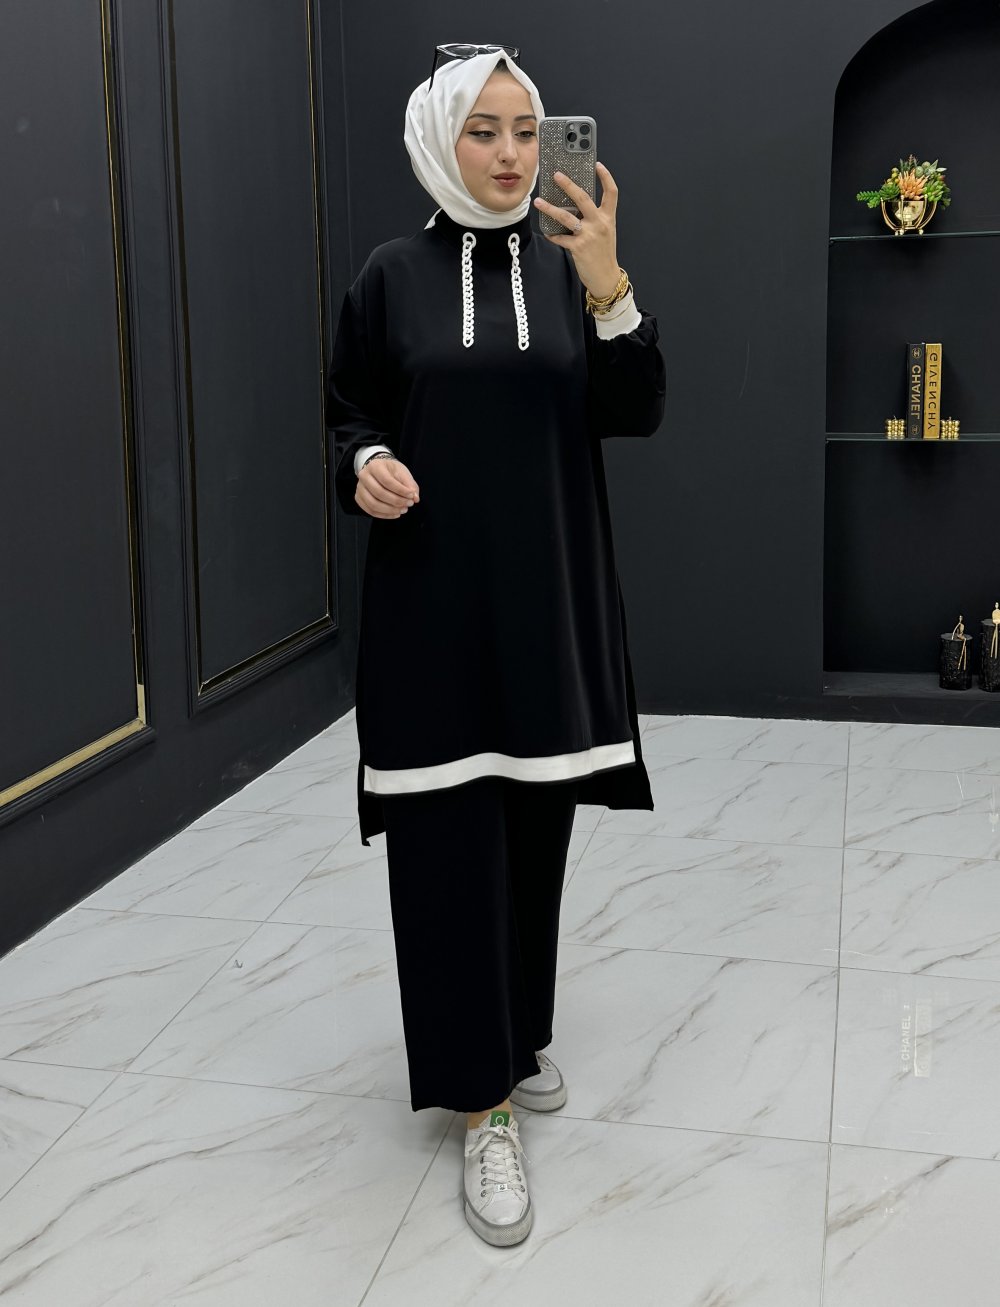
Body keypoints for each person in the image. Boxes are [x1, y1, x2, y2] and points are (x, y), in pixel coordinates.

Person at [324, 43, 665, 1248]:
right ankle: (482, 1108)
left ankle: (513, 1041)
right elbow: (347, 411)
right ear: (439, 137)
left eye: (527, 129)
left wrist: (611, 284)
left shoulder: (570, 268)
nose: (513, 153)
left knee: (531, 836)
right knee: (446, 849)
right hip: (429, 614)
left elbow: (635, 408)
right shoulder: (388, 275)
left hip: (545, 610)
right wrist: (365, 462)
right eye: (485, 129)